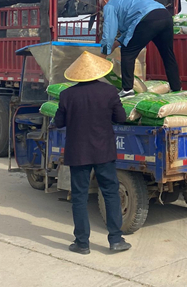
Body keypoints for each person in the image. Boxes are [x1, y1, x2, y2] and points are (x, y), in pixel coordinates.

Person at [54, 50, 131, 254]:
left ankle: (82, 243)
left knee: (79, 197)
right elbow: (121, 118)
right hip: (104, 152)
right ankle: (115, 240)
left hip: (78, 153)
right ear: (98, 72)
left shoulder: (67, 95)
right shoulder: (109, 92)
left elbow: (58, 122)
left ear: (77, 74)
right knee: (111, 194)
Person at [98, 0, 181, 98]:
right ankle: (176, 88)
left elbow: (109, 31)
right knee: (168, 55)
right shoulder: (128, 0)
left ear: (104, 1)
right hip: (165, 16)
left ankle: (127, 90)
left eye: (102, 5)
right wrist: (118, 42)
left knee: (127, 52)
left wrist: (104, 54)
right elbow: (133, 27)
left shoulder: (110, 5)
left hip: (148, 19)